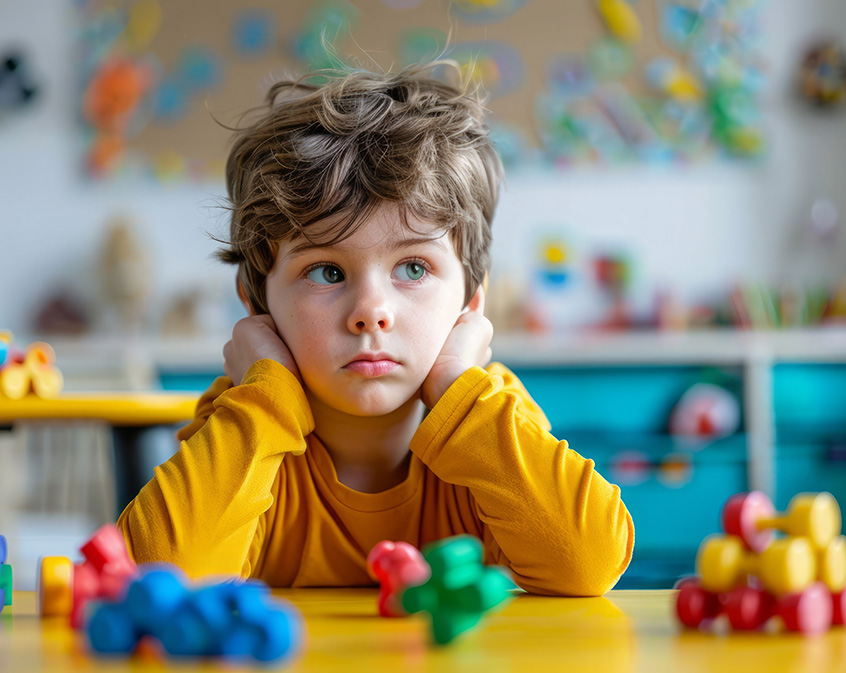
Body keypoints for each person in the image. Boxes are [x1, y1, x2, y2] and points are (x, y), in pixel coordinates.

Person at [118, 62, 634, 595]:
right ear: (257, 307)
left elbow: (588, 563)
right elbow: (159, 581)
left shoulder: (486, 419)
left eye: (414, 268)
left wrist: (457, 386)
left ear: (469, 304)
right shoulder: (247, 422)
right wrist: (265, 396)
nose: (370, 311)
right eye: (326, 271)